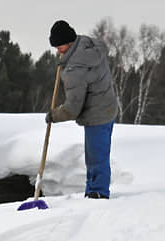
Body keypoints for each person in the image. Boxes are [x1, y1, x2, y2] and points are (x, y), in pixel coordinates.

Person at [45, 20, 118, 199]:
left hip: (97, 114)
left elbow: (72, 108)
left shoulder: (75, 68)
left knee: (96, 157)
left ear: (69, 42)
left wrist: (54, 116)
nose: (57, 50)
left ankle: (98, 193)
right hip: (108, 108)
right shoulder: (88, 45)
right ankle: (92, 190)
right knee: (97, 155)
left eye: (59, 46)